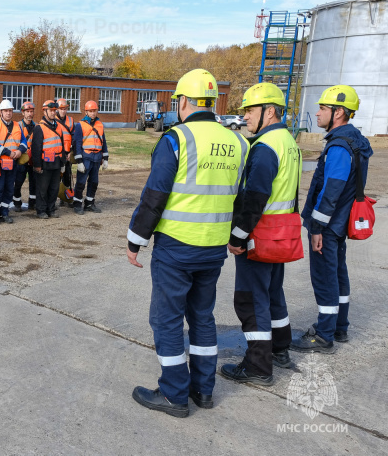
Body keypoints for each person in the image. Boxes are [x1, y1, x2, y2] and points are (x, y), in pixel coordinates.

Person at [126, 69, 249, 417]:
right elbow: (242, 198)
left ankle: (174, 394)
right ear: (211, 103)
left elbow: (155, 195)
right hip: (213, 249)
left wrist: (136, 239)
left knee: (166, 321)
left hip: (177, 248)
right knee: (202, 318)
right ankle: (203, 390)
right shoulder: (239, 142)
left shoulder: (177, 139)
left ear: (183, 102)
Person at [220, 82, 301, 386]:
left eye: (250, 110)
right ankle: (280, 349)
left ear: (269, 111)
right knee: (272, 294)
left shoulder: (265, 147)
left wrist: (238, 237)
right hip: (280, 234)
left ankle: (258, 365)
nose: (246, 117)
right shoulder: (287, 141)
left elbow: (254, 197)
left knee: (251, 301)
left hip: (260, 235)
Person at [291, 85, 373, 353]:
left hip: (328, 226)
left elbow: (331, 190)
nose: (316, 113)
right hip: (339, 224)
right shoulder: (355, 141)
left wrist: (316, 227)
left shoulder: (338, 146)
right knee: (338, 273)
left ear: (339, 112)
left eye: (322, 108)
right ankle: (340, 326)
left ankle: (324, 335)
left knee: (325, 277)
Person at [0, 99, 28, 224]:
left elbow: (24, 142)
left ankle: (5, 212)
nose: (8, 113)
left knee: (9, 189)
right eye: (6, 111)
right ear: (1, 112)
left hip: (13, 163)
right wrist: (8, 152)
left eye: (10, 110)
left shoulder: (17, 125)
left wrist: (20, 151)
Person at [30, 101, 67, 219]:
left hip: (56, 162)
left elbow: (61, 144)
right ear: (45, 111)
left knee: (54, 188)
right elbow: (36, 148)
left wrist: (63, 162)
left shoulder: (59, 126)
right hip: (44, 163)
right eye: (50, 110)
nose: (53, 112)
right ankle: (41, 210)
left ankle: (51, 209)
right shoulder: (39, 128)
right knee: (42, 189)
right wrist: (37, 165)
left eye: (54, 110)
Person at [72, 100, 109, 215]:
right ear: (86, 112)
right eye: (90, 111)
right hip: (86, 157)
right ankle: (77, 204)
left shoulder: (100, 125)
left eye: (94, 111)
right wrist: (79, 161)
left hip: (97, 158)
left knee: (94, 182)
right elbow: (76, 144)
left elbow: (103, 142)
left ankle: (89, 203)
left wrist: (106, 158)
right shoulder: (80, 125)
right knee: (81, 182)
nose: (93, 113)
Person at [13, 101, 37, 212]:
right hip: (21, 158)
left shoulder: (37, 126)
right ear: (23, 113)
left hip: (33, 159)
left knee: (34, 182)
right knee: (18, 181)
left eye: (31, 111)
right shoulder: (17, 126)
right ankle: (17, 202)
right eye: (27, 111)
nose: (29, 114)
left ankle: (32, 203)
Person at [55, 98, 75, 207]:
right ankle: (54, 198)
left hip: (67, 154)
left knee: (67, 177)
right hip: (57, 154)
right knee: (56, 178)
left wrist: (70, 152)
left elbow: (74, 137)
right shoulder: (52, 120)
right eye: (61, 109)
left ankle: (66, 198)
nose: (63, 111)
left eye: (65, 109)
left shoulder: (71, 121)